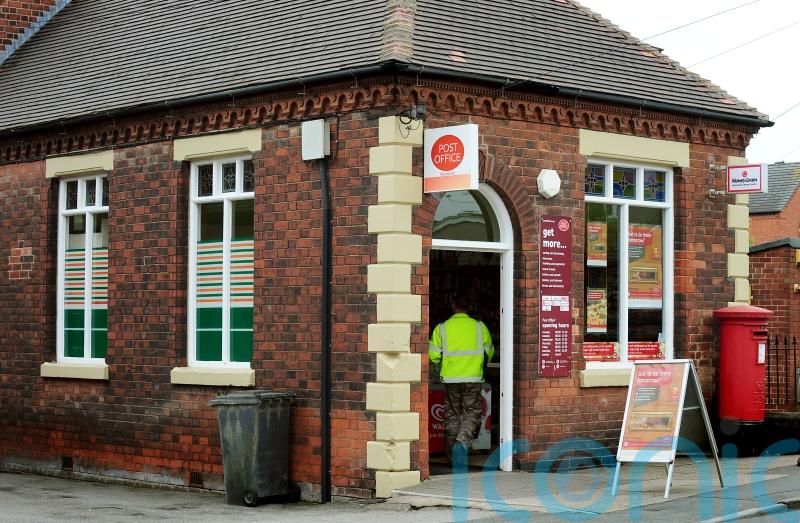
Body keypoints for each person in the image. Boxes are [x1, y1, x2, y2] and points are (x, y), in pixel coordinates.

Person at [428, 290, 494, 464]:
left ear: (453, 306)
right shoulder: (479, 327)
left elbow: (433, 356)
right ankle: (462, 441)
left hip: (450, 379)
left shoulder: (442, 328)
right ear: (469, 307)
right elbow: (490, 351)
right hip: (473, 378)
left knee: (452, 414)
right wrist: (481, 365)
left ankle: (453, 456)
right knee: (472, 412)